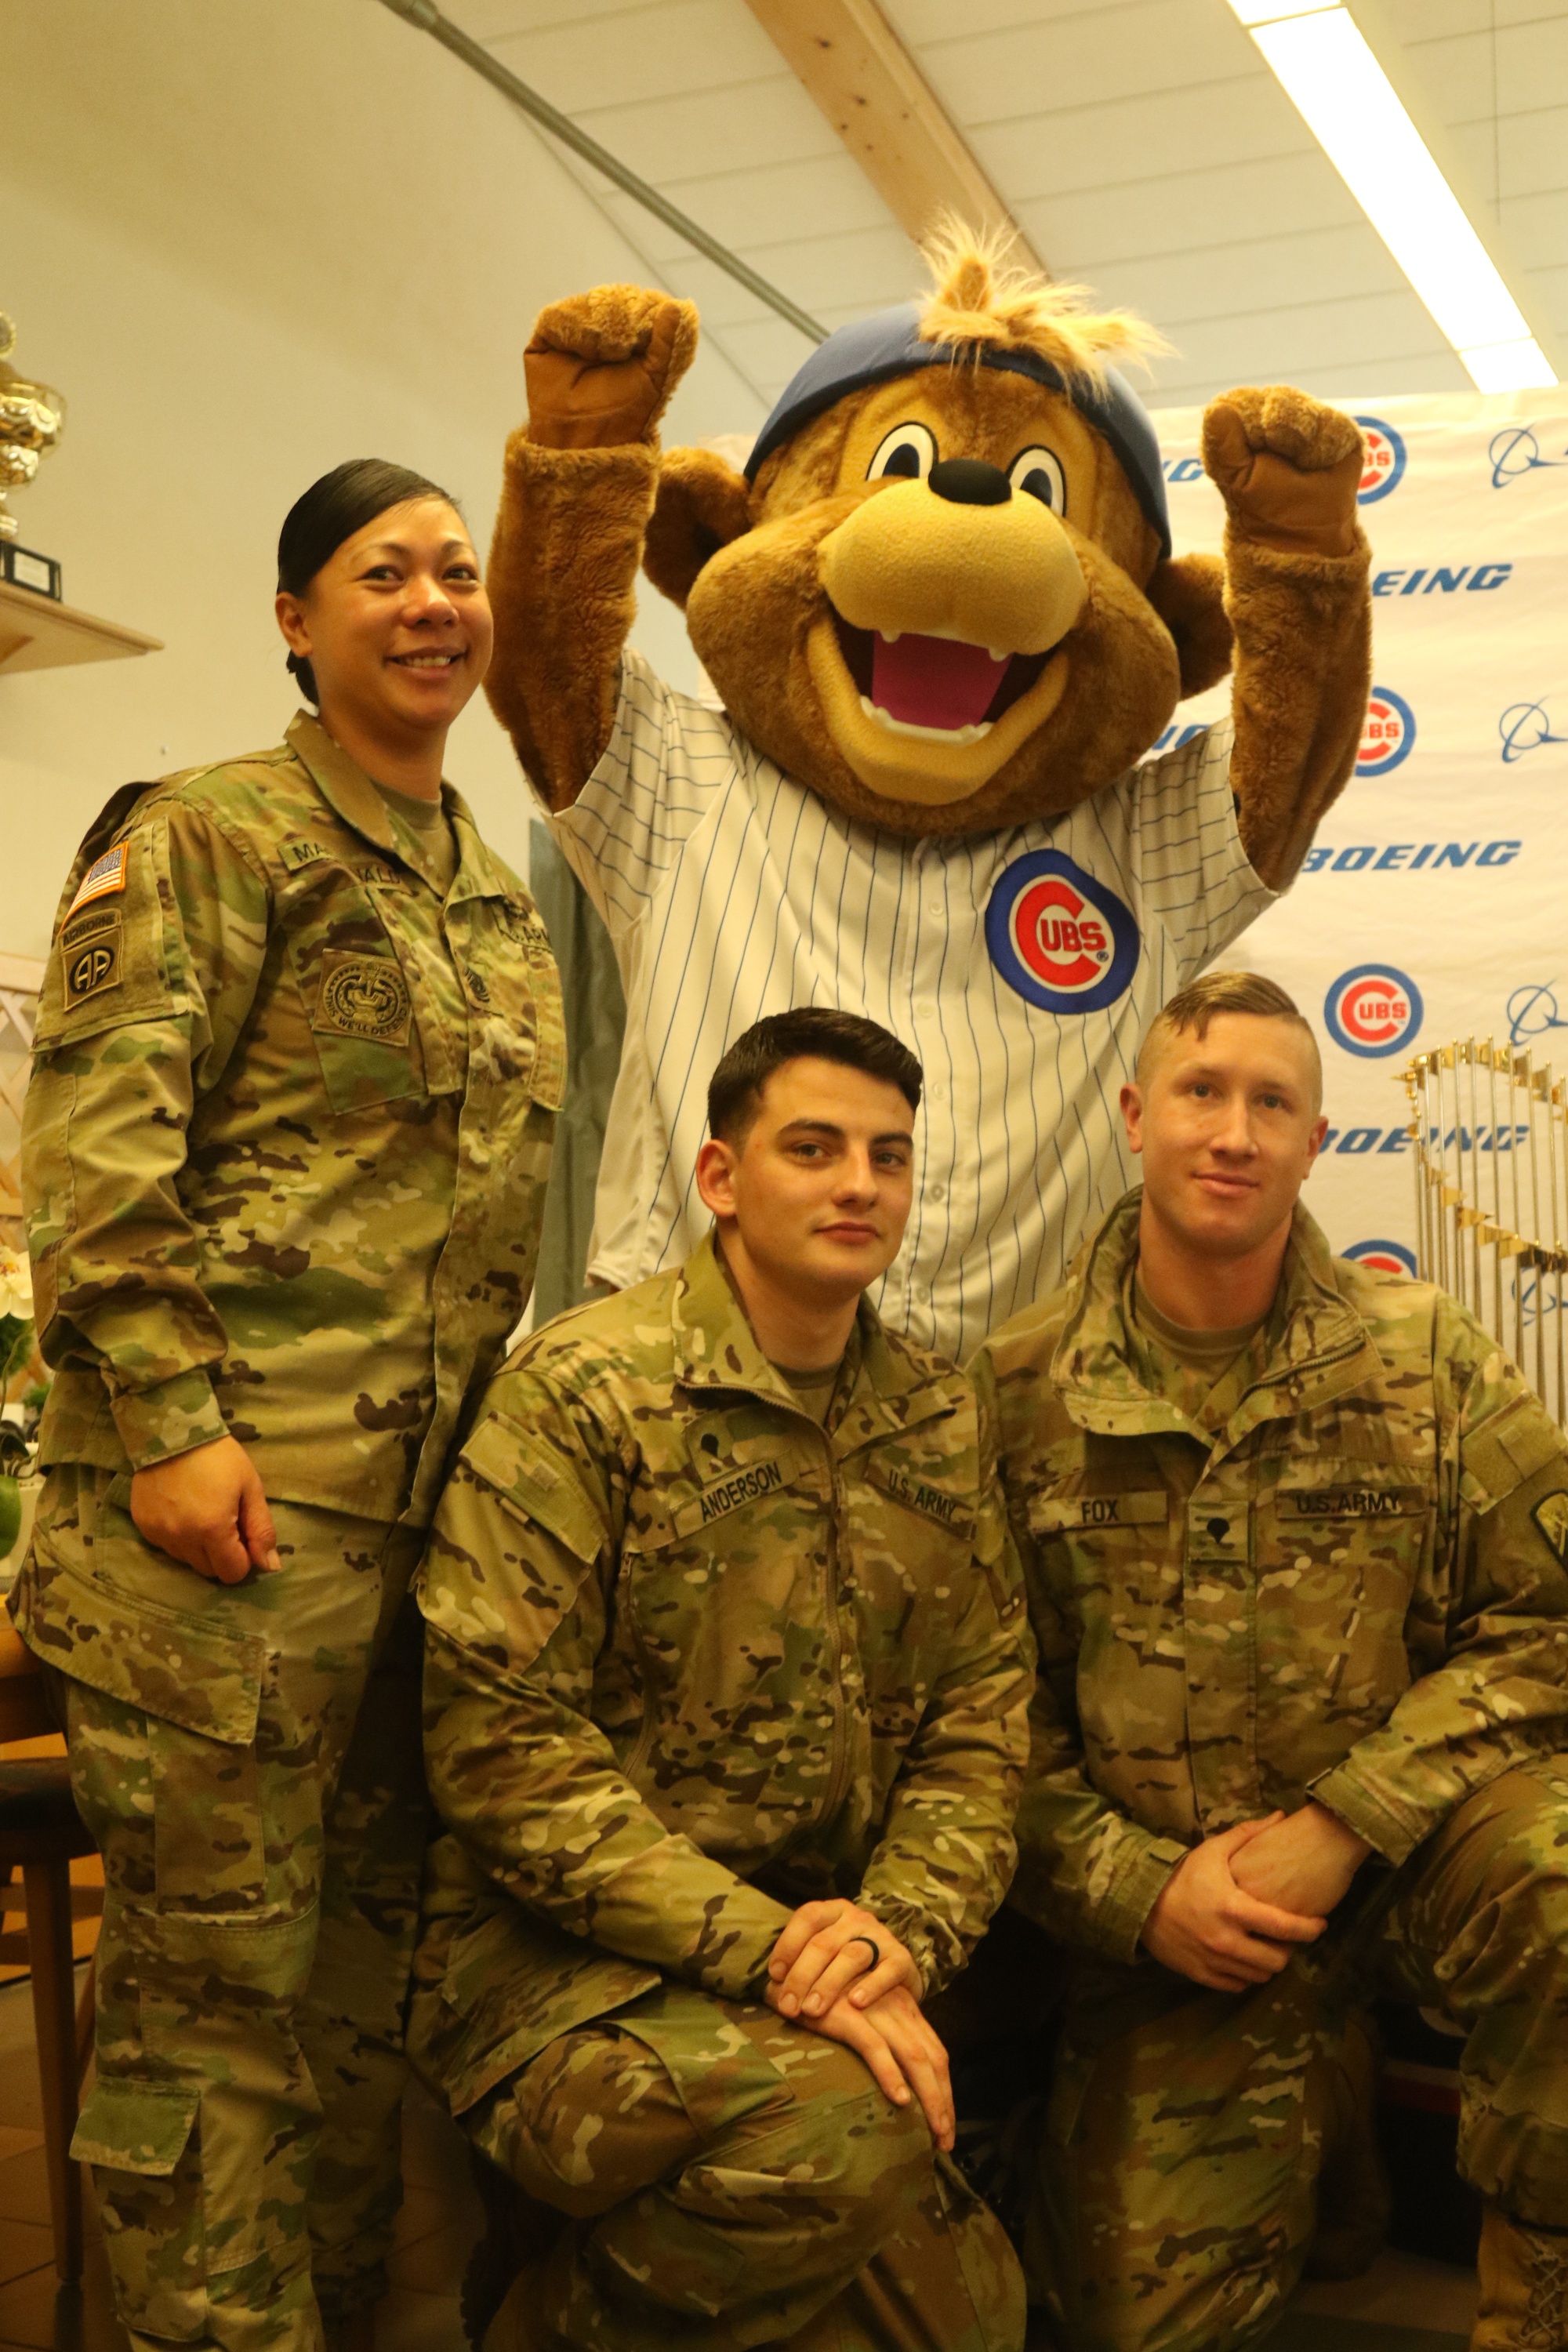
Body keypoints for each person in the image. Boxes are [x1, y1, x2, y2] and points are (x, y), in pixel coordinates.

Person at [13, 459, 564, 2352]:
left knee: (360, 2006)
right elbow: (93, 1151)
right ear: (294, 619)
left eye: (456, 570)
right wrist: (169, 1426)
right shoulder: (209, 834)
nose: (433, 603)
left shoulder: (488, 897)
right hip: (220, 1538)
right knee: (212, 2007)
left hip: (409, 1553)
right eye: (381, 572)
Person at [410, 1007, 1033, 2352]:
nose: (859, 1183)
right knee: (843, 2148)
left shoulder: (938, 1413)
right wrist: (779, 1956)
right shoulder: (583, 1393)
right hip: (559, 1980)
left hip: (822, 1968)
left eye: (889, 1155)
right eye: (812, 1148)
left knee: (976, 2319)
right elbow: (499, 1749)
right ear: (721, 1178)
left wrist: (893, 1937)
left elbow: (983, 1732)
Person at [971, 969, 1568, 2352]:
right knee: (1130, 2322)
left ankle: (1536, 2299)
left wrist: (1348, 1823)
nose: (1233, 1131)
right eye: (1201, 1093)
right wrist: (1138, 1892)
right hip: (1180, 1922)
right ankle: (1327, 2105)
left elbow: (1547, 1628)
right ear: (1137, 1115)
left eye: (1271, 1102)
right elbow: (973, 1723)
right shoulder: (1015, 1393)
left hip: (1409, 1860)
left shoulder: (1423, 1359)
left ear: (1316, 1138)